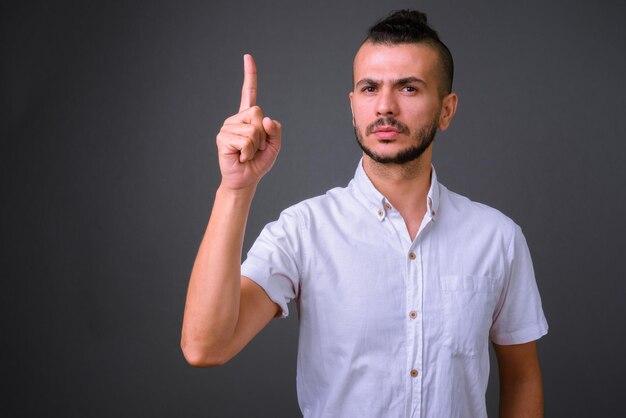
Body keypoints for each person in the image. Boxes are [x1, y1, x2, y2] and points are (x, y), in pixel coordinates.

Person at [181, 9, 548, 418]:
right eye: (370, 88)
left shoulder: (498, 237)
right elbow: (205, 347)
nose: (385, 107)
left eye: (409, 88)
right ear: (353, 106)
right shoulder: (304, 231)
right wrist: (236, 188)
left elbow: (521, 378)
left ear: (447, 110)